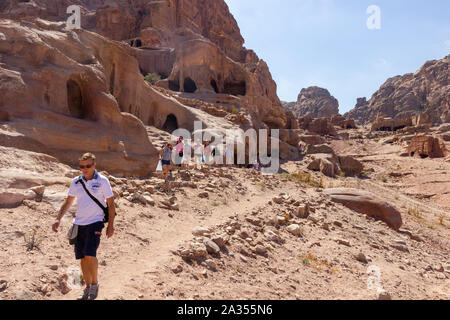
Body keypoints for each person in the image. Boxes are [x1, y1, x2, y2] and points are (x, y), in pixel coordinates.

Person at [52, 153, 115, 300]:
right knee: (82, 258)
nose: (85, 169)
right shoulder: (76, 182)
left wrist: (111, 225)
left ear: (94, 165)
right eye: (82, 166)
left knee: (90, 254)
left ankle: (95, 285)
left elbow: (111, 204)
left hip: (96, 222)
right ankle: (87, 288)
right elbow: (68, 201)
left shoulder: (103, 181)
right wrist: (58, 219)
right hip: (79, 223)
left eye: (88, 166)